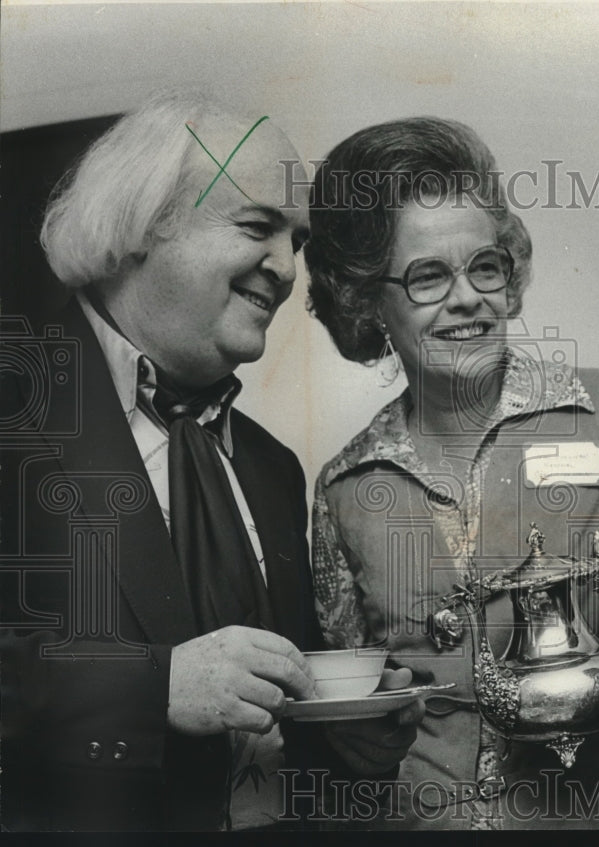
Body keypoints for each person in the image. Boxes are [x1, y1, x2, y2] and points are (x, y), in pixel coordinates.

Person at [0, 90, 421, 831]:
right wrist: (151, 687)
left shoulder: (272, 467)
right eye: (258, 227)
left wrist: (351, 741)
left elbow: (270, 722)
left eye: (297, 242)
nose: (287, 269)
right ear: (138, 224)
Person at [304, 116, 599, 830]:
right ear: (368, 299)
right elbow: (352, 720)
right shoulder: (345, 487)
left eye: (485, 266)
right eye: (429, 276)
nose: (468, 297)